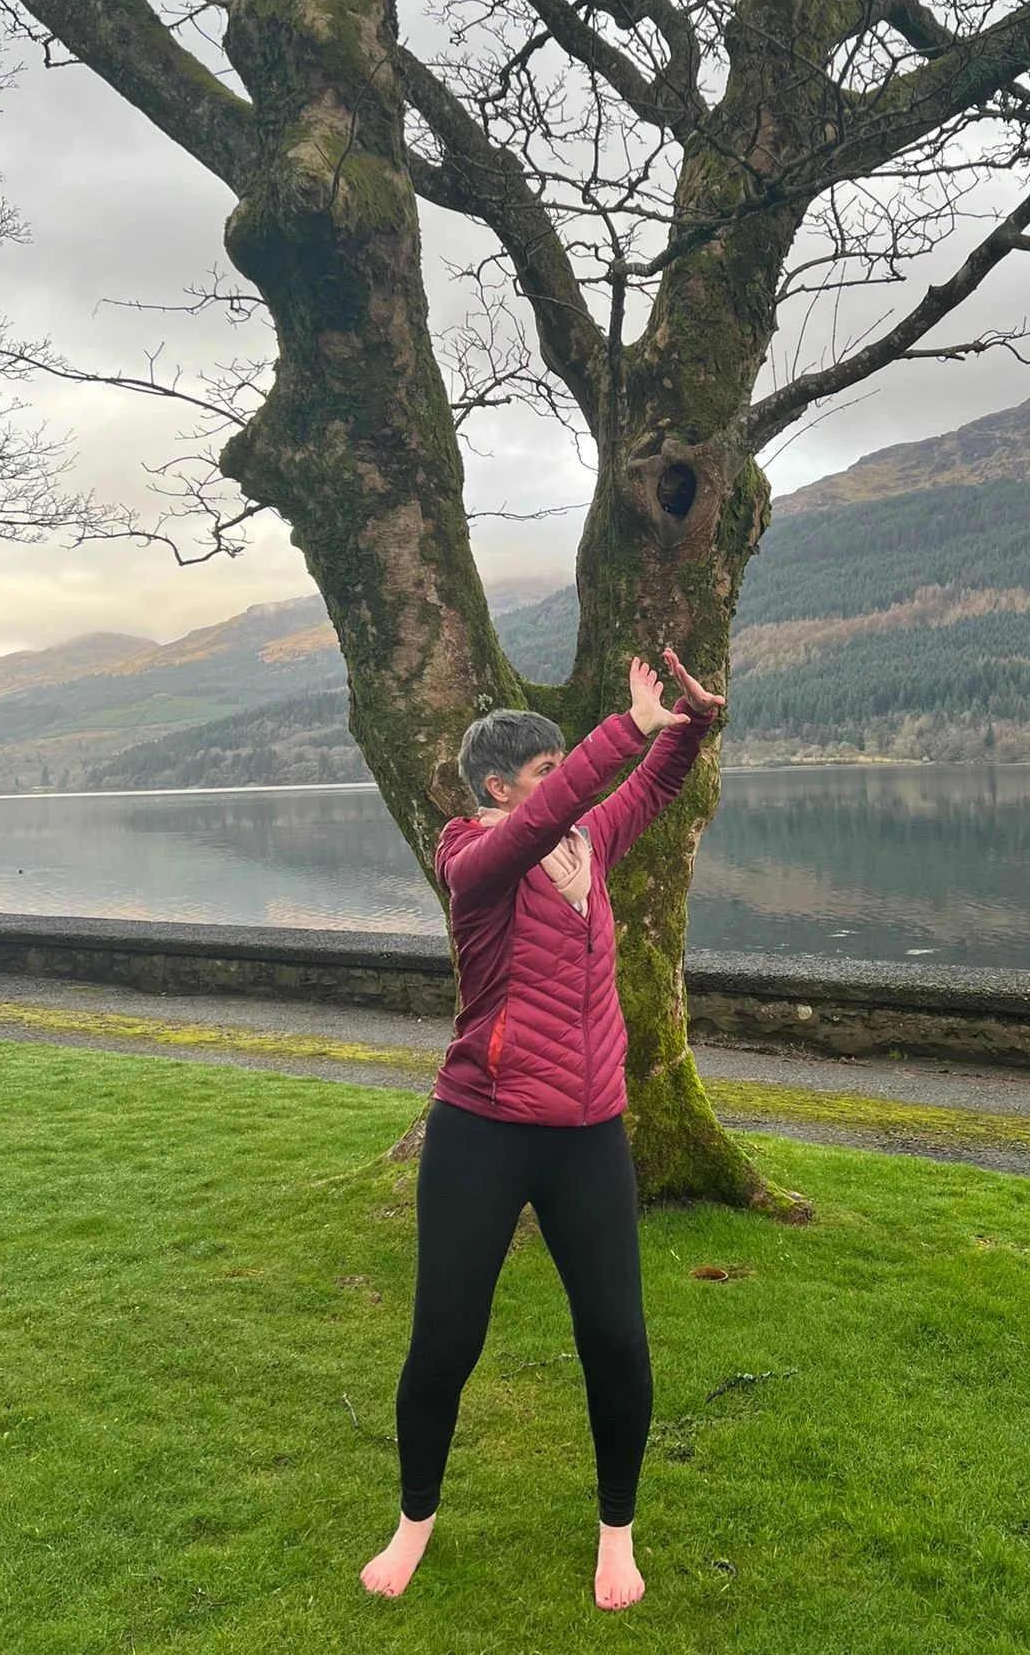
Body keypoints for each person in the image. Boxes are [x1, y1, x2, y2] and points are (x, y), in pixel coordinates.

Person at [361, 647, 724, 1612]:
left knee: (615, 1336)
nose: (561, 792)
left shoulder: (588, 845)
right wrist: (621, 732)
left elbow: (650, 785)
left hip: (590, 1134)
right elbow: (542, 817)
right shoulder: (470, 859)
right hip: (482, 1129)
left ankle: (617, 1533)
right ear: (497, 788)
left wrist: (690, 724)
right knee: (445, 1339)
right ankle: (414, 1521)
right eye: (541, 775)